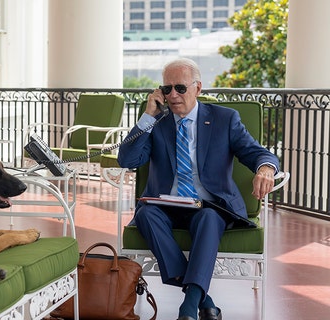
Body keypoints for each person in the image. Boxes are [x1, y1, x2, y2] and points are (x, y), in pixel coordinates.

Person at [117, 57, 279, 320]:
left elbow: (256, 153)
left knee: (208, 218)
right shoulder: (157, 123)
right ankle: (205, 302)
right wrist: (148, 116)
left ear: (198, 88)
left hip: (209, 205)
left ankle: (189, 307)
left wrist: (266, 169)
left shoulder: (224, 119)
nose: (172, 95)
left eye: (180, 88)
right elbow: (127, 160)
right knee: (146, 214)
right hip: (164, 205)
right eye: (166, 88)